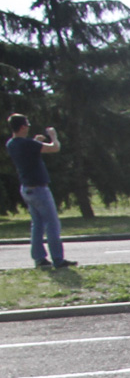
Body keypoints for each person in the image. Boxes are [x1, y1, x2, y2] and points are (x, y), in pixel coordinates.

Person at [7, 114, 75, 270]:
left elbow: (27, 152)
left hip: (26, 188)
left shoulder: (12, 144)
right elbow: (55, 148)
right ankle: (58, 259)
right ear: (22, 127)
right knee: (52, 224)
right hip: (39, 189)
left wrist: (36, 142)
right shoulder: (28, 144)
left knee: (37, 225)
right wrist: (53, 136)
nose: (29, 127)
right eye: (27, 124)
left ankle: (39, 258)